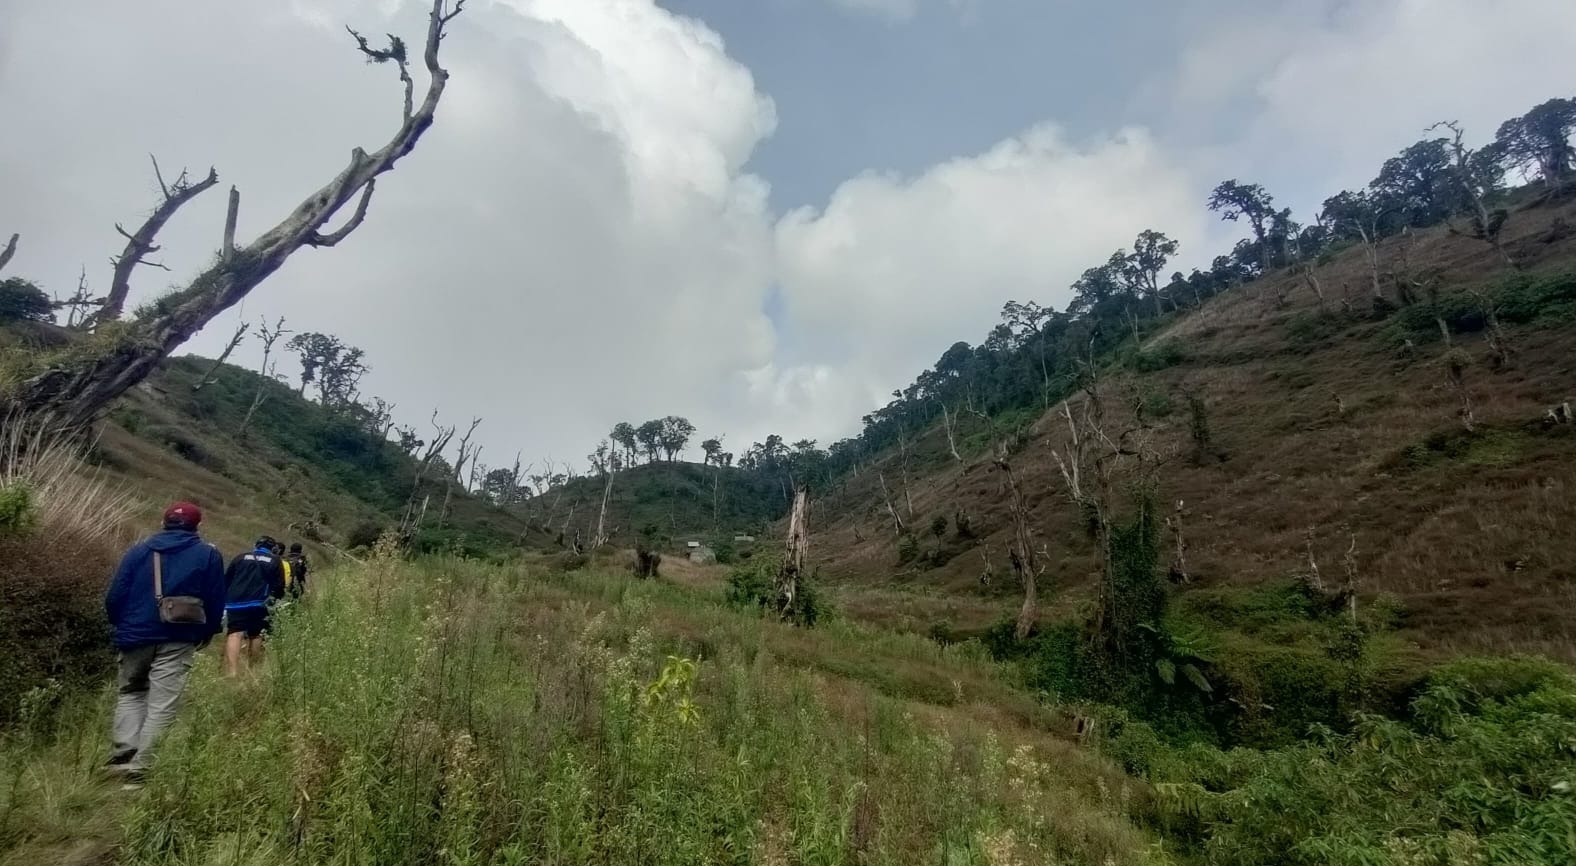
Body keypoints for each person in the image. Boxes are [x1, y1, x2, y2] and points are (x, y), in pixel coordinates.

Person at [103, 501, 226, 780]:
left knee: (131, 692)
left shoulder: (138, 550)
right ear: (198, 526)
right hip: (178, 636)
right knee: (162, 703)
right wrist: (207, 632)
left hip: (134, 634)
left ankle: (124, 754)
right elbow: (216, 599)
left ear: (163, 522)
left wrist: (121, 624)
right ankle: (142, 768)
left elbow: (115, 596)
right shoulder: (207, 555)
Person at [223, 535, 287, 676]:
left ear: (255, 545)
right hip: (260, 603)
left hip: (235, 603)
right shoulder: (275, 560)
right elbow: (280, 586)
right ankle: (252, 670)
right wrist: (274, 601)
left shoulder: (240, 557)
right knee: (256, 635)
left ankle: (232, 672)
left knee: (235, 633)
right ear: (273, 549)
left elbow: (226, 579)